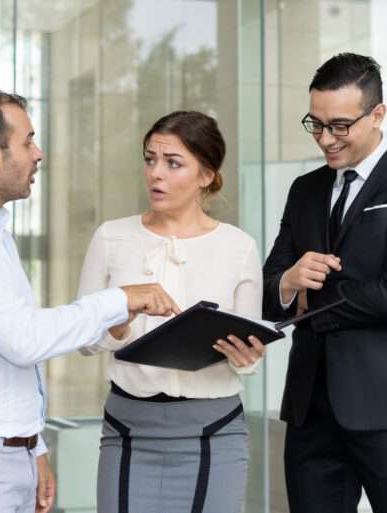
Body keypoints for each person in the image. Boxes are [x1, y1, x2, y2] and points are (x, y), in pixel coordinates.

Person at [0, 88, 178, 513]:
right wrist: (119, 299)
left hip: (1, 456)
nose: (38, 153)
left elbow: (6, 360)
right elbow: (23, 339)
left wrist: (33, 447)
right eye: (27, 141)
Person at [262, 53, 387, 513]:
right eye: (315, 124)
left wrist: (307, 297)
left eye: (339, 126)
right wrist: (289, 282)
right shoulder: (304, 189)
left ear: (378, 114)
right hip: (311, 409)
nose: (325, 139)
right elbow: (270, 290)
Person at [77, 110, 265, 513]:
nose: (155, 173)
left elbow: (250, 353)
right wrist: (122, 317)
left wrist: (247, 356)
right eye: (150, 159)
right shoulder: (111, 237)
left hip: (215, 432)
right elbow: (85, 340)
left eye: (172, 163)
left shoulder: (239, 247)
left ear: (206, 175)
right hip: (127, 430)